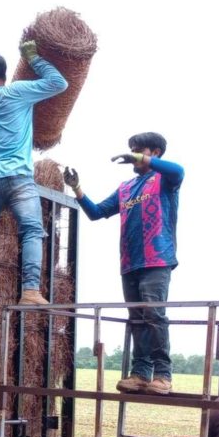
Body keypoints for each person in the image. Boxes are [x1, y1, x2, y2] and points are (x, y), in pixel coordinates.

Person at [63, 134, 183, 394]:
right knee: (137, 318)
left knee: (154, 314)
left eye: (139, 151)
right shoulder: (126, 188)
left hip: (157, 258)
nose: (132, 156)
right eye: (132, 151)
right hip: (130, 262)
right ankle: (141, 373)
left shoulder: (165, 180)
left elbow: (179, 170)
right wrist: (77, 188)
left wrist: (141, 158)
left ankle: (163, 375)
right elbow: (97, 213)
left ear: (156, 151)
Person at [0, 44, 68, 319]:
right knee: (31, 230)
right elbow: (60, 83)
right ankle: (30, 289)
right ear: (4, 75)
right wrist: (33, 58)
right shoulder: (18, 92)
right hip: (18, 178)